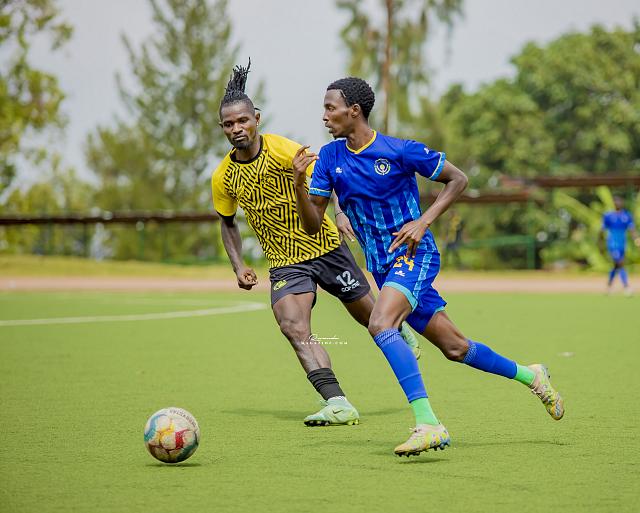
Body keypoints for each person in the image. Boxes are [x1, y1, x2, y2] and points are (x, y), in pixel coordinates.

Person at [292, 76, 565, 457]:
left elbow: (458, 179)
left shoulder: (399, 150)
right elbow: (310, 224)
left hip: (415, 256)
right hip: (383, 268)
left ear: (354, 111)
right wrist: (297, 181)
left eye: (330, 108)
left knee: (381, 323)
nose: (324, 116)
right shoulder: (329, 158)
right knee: (455, 347)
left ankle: (429, 424)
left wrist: (423, 221)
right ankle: (532, 375)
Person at [211, 62, 419, 427]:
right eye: (228, 124)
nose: (236, 129)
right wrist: (238, 265)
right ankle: (337, 402)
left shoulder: (283, 150)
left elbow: (329, 175)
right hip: (284, 261)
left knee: (372, 320)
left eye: (243, 120)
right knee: (293, 327)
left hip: (326, 248)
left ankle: (398, 328)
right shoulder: (223, 176)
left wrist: (340, 211)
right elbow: (227, 222)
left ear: (256, 118)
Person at [600, 196, 640, 296]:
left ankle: (609, 286)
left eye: (619, 201)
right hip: (612, 243)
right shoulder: (608, 216)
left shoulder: (627, 216)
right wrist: (600, 243)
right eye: (615, 201)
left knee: (616, 266)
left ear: (622, 202)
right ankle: (626, 287)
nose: (617, 203)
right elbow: (602, 231)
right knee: (620, 263)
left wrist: (637, 239)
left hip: (622, 244)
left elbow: (632, 230)